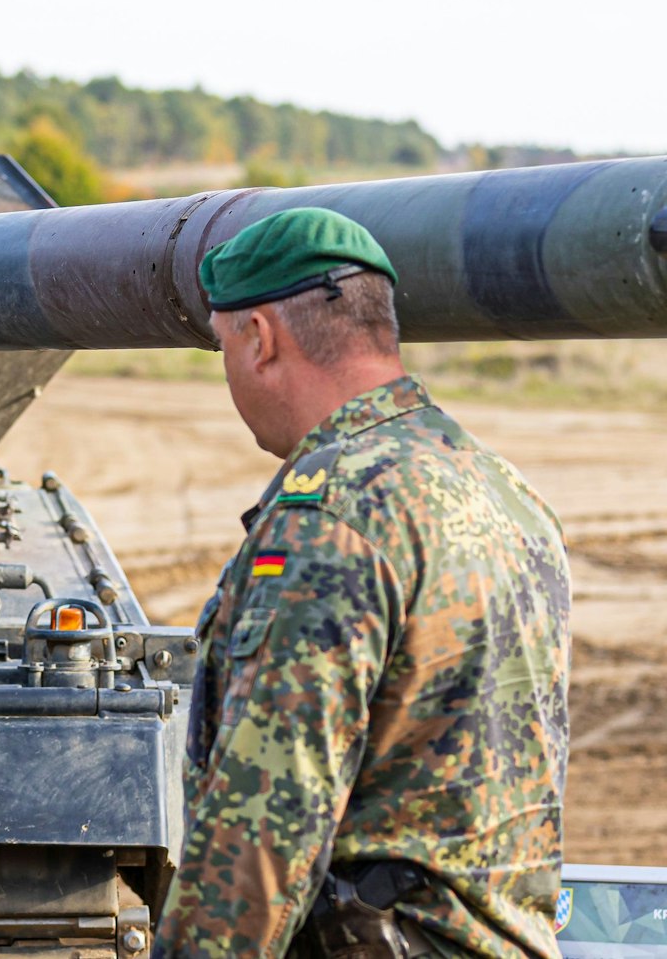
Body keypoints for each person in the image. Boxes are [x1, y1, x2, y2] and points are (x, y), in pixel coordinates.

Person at [154, 208, 570, 958]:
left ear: (260, 337)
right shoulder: (507, 494)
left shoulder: (333, 515)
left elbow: (263, 821)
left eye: (222, 348)